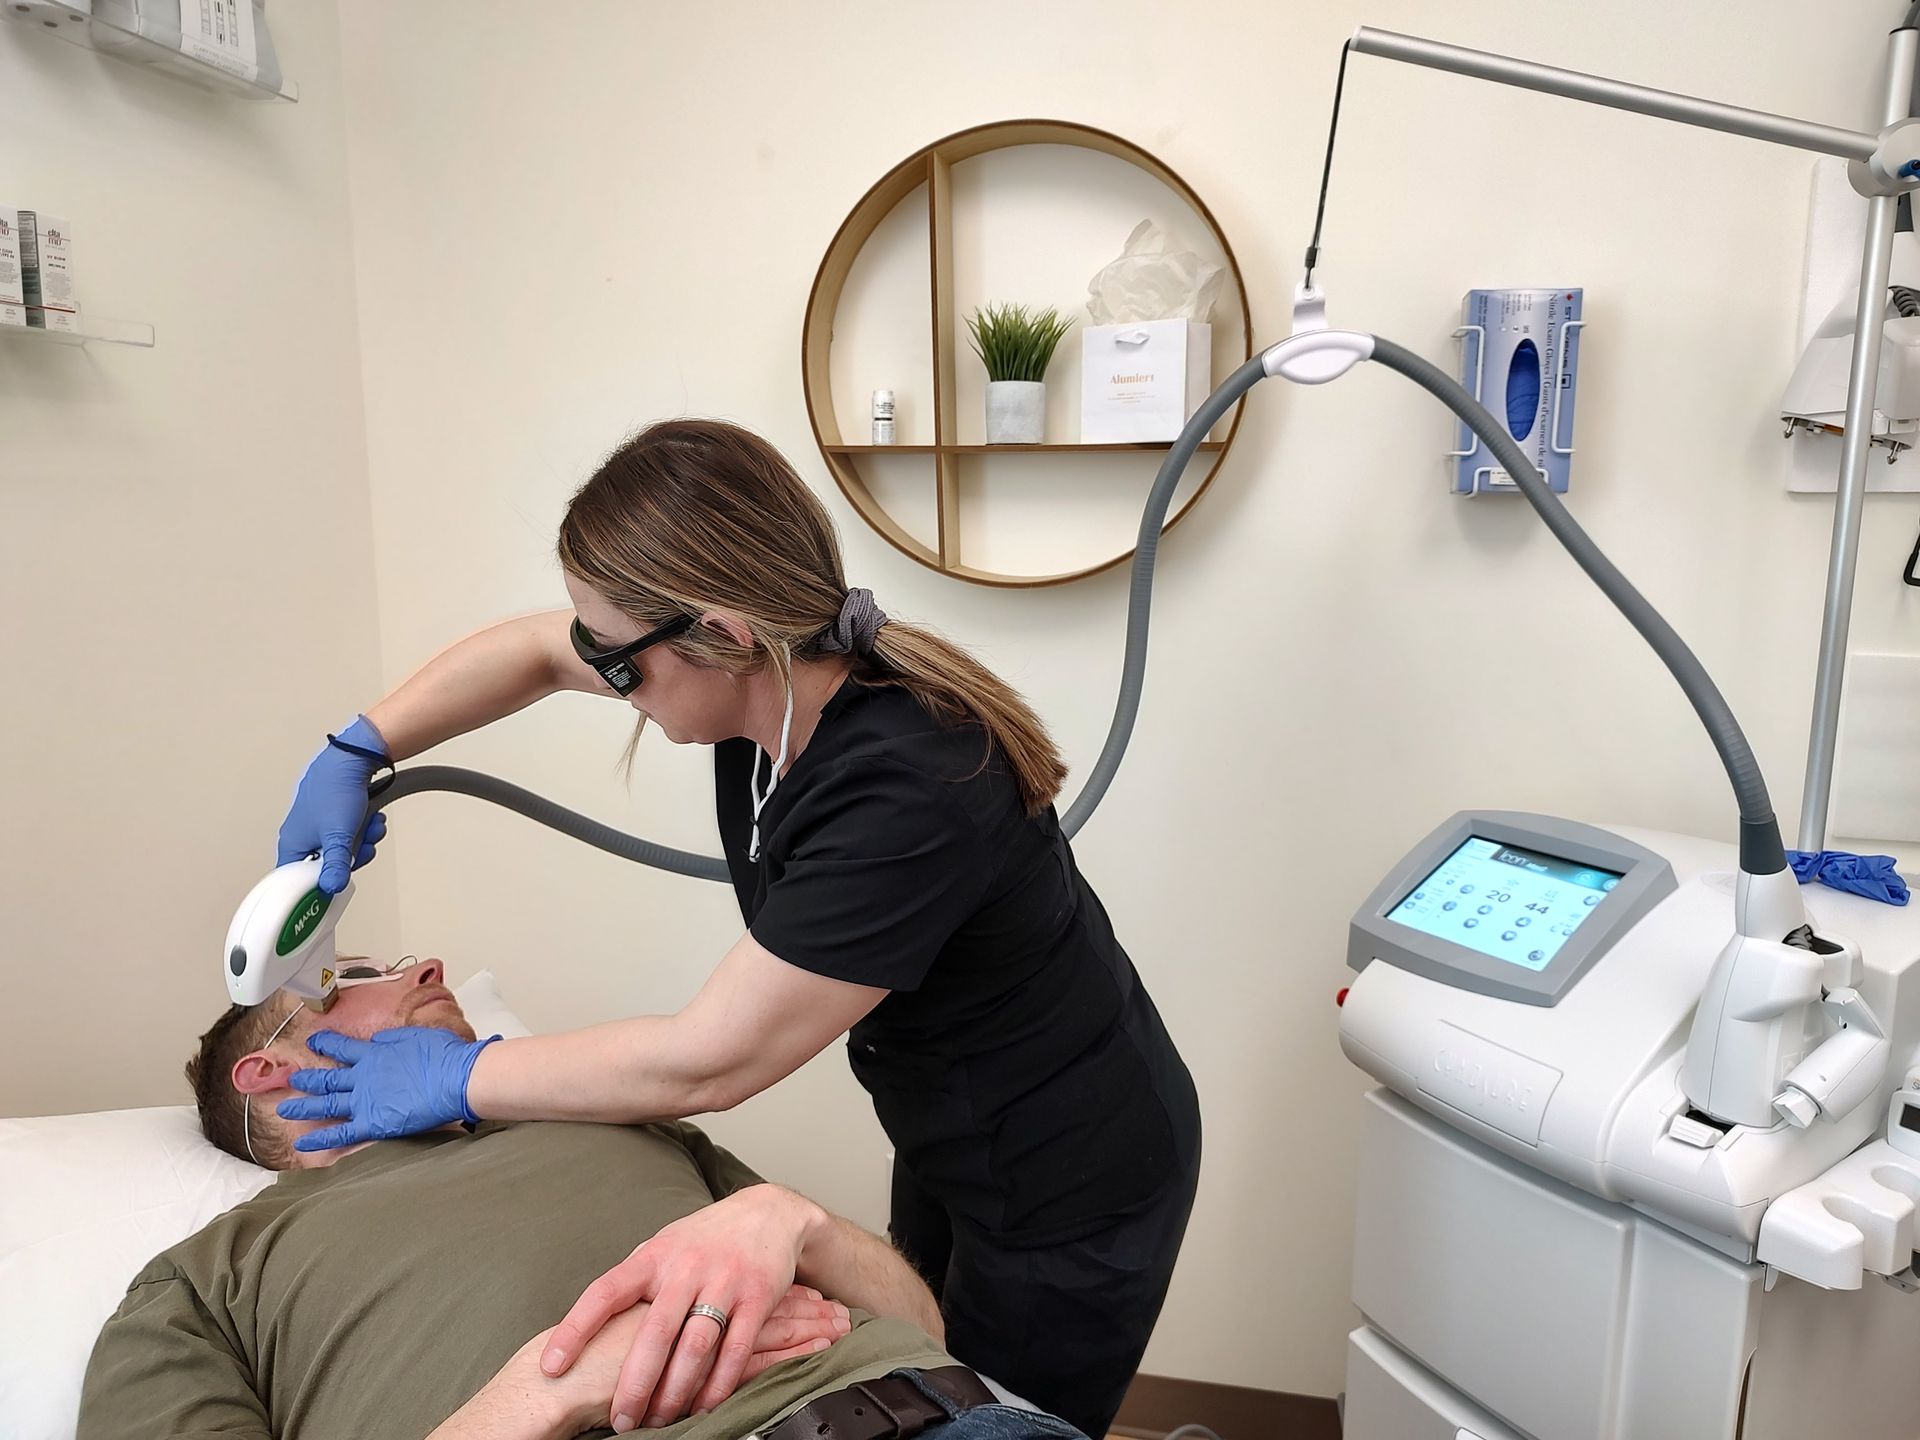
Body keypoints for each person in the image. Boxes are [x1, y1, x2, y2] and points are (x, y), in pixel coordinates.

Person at [270, 418, 1201, 1436]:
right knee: (923, 1344)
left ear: (724, 633)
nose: (608, 684)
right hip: (950, 1125)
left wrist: (456, 1073)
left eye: (619, 665)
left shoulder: (909, 785)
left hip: (1073, 1173)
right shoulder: (776, 691)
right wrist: (359, 746)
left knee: (995, 1409)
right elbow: (541, 649)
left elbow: (704, 1063)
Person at [79, 958, 1089, 1440]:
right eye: (349, 979)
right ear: (267, 1074)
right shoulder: (203, 1284)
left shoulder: (616, 1123)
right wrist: (548, 1392)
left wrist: (791, 1217)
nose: (424, 964)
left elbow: (922, 1326)